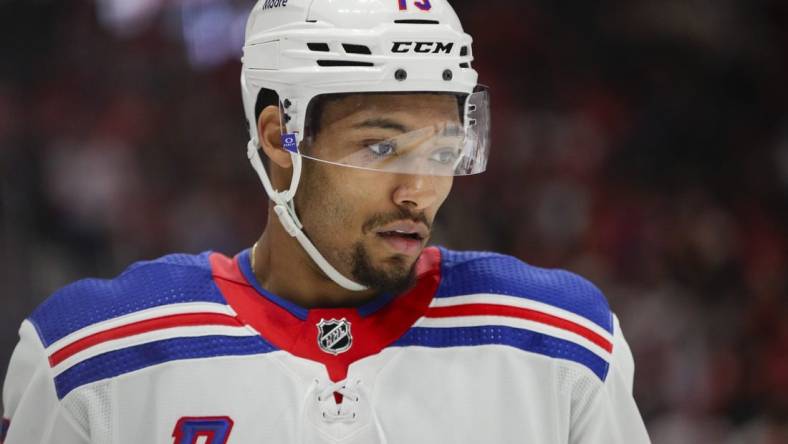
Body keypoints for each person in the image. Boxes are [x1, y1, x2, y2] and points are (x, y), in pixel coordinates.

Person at [1, 0, 650, 442]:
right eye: (381, 146)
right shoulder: (89, 360)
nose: (419, 190)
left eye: (444, 150)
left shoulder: (561, 345)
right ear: (279, 140)